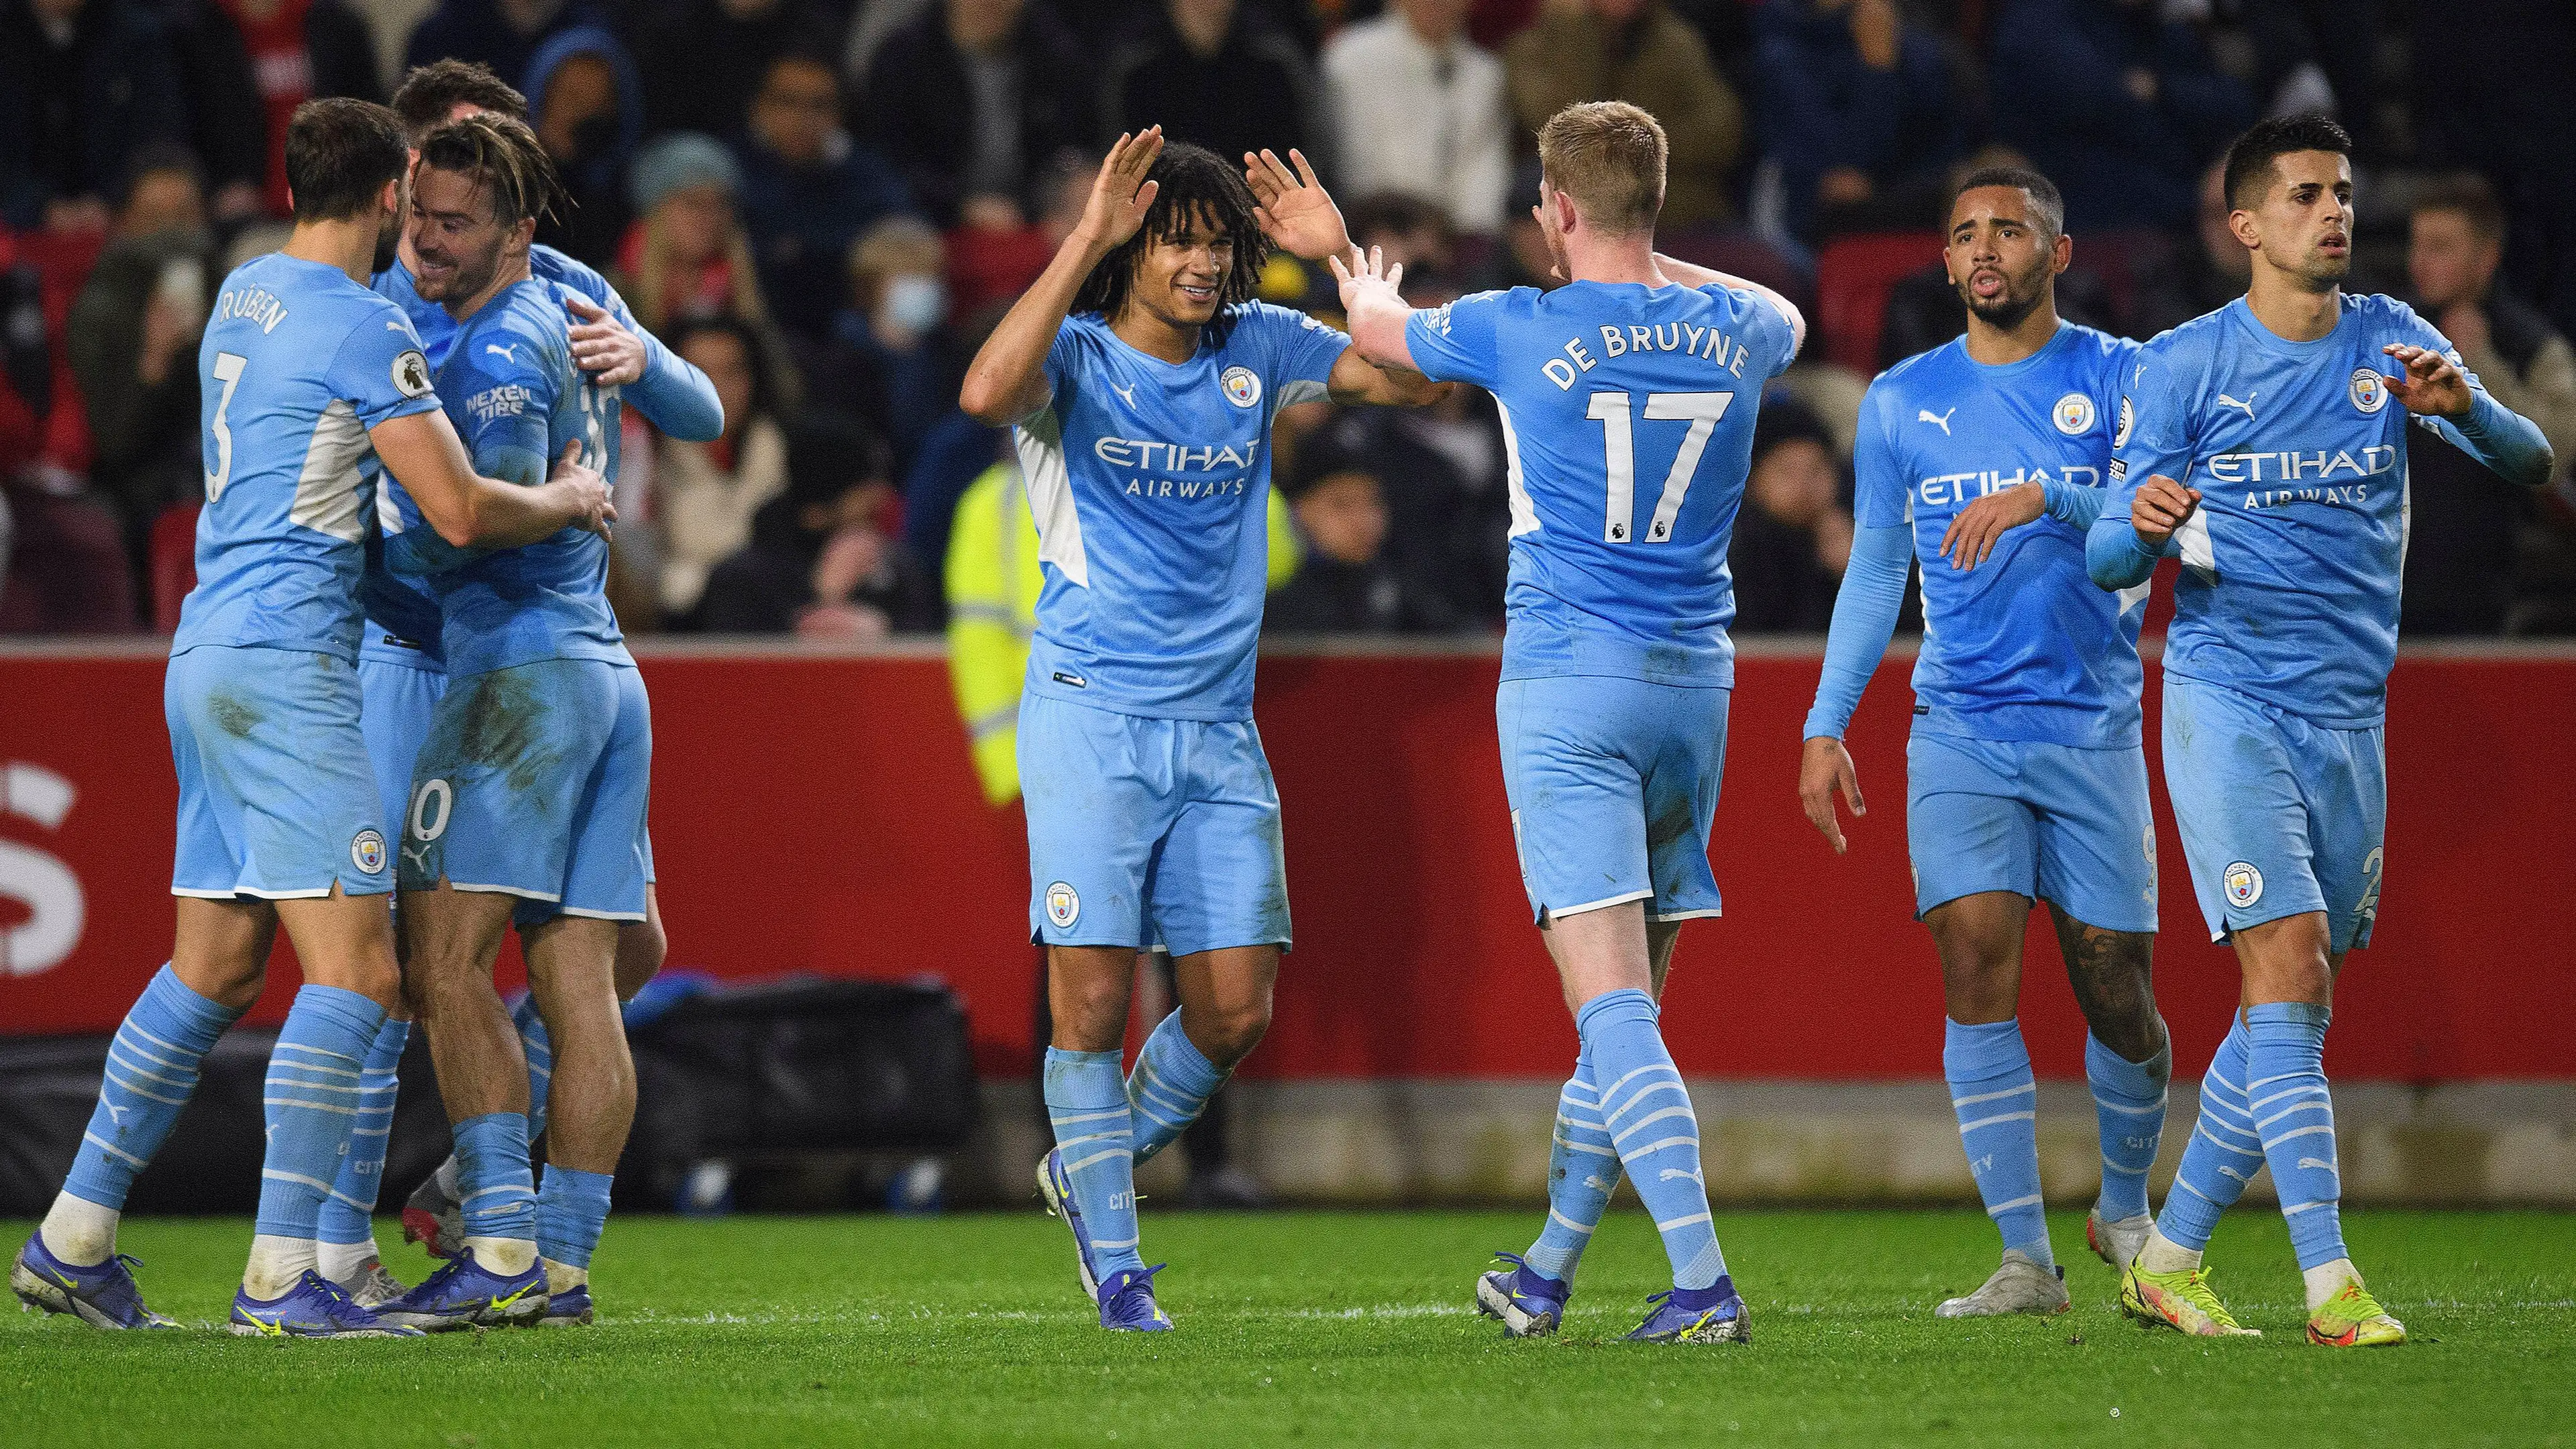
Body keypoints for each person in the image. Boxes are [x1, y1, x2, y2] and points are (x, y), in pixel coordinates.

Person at [7, 96, 611, 1338]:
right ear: (393, 193)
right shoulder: (365, 326)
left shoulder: (244, 288)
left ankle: (73, 1237)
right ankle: (291, 1275)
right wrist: (565, 498)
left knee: (215, 966)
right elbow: (452, 510)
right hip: (289, 667)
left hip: (202, 649)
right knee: (367, 975)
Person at [958, 131, 1444, 1332]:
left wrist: (1347, 268)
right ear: (1133, 247)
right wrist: (1081, 237)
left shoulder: (1260, 346)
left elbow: (1414, 381)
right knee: (1088, 1007)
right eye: (1177, 235)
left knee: (1235, 1010)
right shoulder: (1068, 357)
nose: (1200, 259)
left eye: (1218, 239)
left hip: (1219, 734)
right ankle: (1121, 1273)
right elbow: (979, 393)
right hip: (1088, 720)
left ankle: (1091, 1160)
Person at [1335, 99, 1804, 1343]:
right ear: (1654, 208)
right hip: (1696, 689)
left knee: (1612, 1015)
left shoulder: (1514, 323)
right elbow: (1790, 315)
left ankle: (1703, 1286)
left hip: (1569, 685)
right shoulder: (1746, 324)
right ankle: (1546, 1270)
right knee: (1631, 1014)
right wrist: (1649, 258)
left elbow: (1377, 336)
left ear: (1553, 212)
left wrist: (1358, 269)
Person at [2088, 115, 2553, 1347]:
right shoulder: (2186, 365)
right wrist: (2136, 521)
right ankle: (2330, 1284)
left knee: (2288, 1005)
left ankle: (2172, 1256)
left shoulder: (2395, 340)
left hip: (2352, 721)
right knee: (2286, 970)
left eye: (2343, 194)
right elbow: (2100, 554)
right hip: (2228, 701)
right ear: (2248, 225)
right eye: (2306, 196)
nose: (2335, 214)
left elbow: (2533, 456)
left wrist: (2471, 409)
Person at [358, 58, 722, 1307]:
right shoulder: (527, 293)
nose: (425, 238)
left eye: (453, 219)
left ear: (518, 217)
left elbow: (470, 517)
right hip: (598, 668)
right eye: (419, 210)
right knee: (582, 979)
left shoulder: (505, 343)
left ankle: (496, 1238)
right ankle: (560, 1260)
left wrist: (346, 520)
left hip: (512, 674)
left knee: (439, 965)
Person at [1799, 166, 2170, 1318]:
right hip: (1959, 723)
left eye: (2009, 229)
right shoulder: (1903, 401)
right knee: (1973, 953)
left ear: (2057, 254)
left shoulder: (2124, 377)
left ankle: (2122, 1209)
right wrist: (1825, 722)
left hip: (2094, 723)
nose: (1984, 247)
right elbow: (1875, 569)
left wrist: (2047, 496)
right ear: (1948, 265)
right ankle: (2024, 1260)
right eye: (1964, 233)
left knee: (2113, 979)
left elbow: (2151, 532)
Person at [2402, 174, 2576, 635]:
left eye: (2440, 247)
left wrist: (2481, 364)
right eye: (2417, 244)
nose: (2420, 262)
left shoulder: (2531, 345)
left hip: (2481, 593)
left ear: (2487, 258)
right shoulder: (2390, 333)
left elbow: (2553, 458)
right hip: (2384, 586)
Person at [1502, 1, 1743, 230]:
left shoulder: (1673, 41)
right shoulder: (1531, 49)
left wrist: (1624, 145)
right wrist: (1577, 31)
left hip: (1682, 208)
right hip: (1583, 217)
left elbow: (1723, 132)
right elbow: (1562, 130)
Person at [861, 0, 1096, 233]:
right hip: (926, 213)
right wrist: (962, 205)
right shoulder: (903, 58)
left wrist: (1063, 191)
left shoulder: (1056, 54)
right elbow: (887, 160)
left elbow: (1073, 146)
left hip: (1033, 214)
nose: (988, 4)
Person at [731, 52, 915, 341]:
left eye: (818, 106)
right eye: (788, 102)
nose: (803, 119)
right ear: (760, 108)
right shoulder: (732, 171)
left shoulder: (869, 175)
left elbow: (908, 239)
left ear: (838, 115)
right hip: (754, 327)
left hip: (855, 325)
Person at [1320, 0, 1511, 238]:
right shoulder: (1350, 56)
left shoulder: (1485, 73)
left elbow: (1484, 170)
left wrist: (1464, 239)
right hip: (1368, 229)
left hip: (1457, 242)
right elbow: (1353, 159)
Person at [1725, 397, 1851, 632]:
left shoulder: (1864, 535)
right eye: (1786, 472)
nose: (1804, 486)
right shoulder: (1731, 550)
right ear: (1753, 479)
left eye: (1817, 470)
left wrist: (1859, 575)